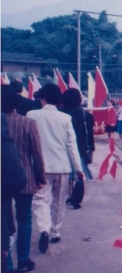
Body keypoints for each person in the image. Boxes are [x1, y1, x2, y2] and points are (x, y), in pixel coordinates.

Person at [27, 83, 84, 252]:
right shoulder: (65, 118)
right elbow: (71, 146)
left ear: (42, 99)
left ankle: (43, 229)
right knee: (59, 201)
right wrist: (79, 169)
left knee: (41, 200)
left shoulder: (31, 115)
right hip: (63, 166)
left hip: (40, 166)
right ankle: (55, 232)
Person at [1, 85, 45, 273]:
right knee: (24, 218)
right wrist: (40, 176)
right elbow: (37, 153)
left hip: (3, 179)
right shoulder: (27, 123)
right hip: (25, 177)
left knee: (4, 220)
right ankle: (23, 260)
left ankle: (7, 264)